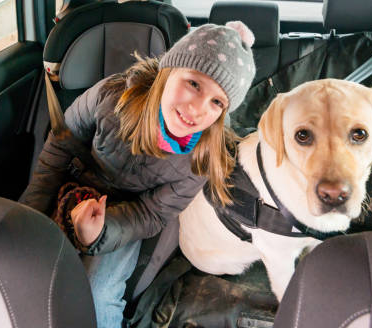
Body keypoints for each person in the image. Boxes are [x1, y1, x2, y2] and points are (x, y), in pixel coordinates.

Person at [19, 21, 256, 328]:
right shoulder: (112, 95)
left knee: (99, 294)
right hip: (74, 180)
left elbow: (152, 213)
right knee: (21, 257)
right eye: (194, 84)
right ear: (169, 70)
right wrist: (32, 212)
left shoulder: (202, 158)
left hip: (126, 212)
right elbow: (60, 145)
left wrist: (100, 233)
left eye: (217, 102)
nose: (197, 109)